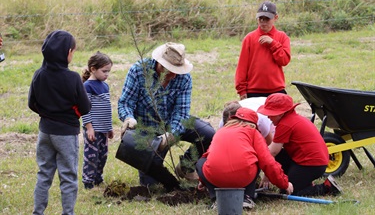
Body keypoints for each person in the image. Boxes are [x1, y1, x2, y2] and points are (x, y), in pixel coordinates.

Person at [117, 42, 215, 191]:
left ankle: (186, 166)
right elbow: (125, 102)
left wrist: (171, 134)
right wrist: (128, 118)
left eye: (177, 71)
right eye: (170, 71)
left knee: (208, 135)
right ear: (160, 64)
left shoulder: (184, 78)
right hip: (147, 129)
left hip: (173, 123)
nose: (174, 75)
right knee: (152, 186)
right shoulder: (138, 71)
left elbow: (182, 113)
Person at [28, 30, 91, 215]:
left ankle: (37, 212)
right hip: (66, 134)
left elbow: (32, 103)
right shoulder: (72, 78)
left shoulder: (39, 74)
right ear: (68, 53)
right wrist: (69, 114)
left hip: (45, 132)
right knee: (68, 176)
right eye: (73, 51)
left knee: (44, 174)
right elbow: (85, 107)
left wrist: (48, 114)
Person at [196, 107, 293, 210]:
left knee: (201, 162)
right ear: (254, 123)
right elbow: (267, 161)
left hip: (216, 178)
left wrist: (203, 181)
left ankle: (217, 198)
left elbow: (207, 156)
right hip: (243, 177)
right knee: (255, 158)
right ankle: (247, 197)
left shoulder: (220, 132)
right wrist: (284, 184)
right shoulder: (253, 132)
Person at [257, 93, 343, 196]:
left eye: (270, 114)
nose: (268, 117)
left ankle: (326, 188)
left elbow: (272, 152)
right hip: (310, 160)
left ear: (280, 114)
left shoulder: (285, 124)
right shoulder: (292, 119)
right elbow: (274, 151)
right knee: (280, 158)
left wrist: (267, 174)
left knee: (291, 191)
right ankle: (302, 180)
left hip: (311, 164)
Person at [235, 1, 291, 100]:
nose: (263, 22)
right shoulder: (249, 38)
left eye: (267, 19)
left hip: (276, 90)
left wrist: (273, 44)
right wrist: (242, 90)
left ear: (275, 18)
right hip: (253, 91)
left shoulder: (282, 37)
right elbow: (242, 66)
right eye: (261, 19)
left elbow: (284, 60)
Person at [81, 52, 114, 189]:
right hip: (93, 129)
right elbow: (85, 108)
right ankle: (88, 180)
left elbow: (107, 109)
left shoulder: (105, 86)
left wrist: (110, 127)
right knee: (92, 156)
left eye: (108, 71)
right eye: (104, 71)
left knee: (103, 155)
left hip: (104, 129)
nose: (106, 74)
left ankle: (98, 177)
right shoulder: (87, 86)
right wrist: (89, 127)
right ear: (93, 69)